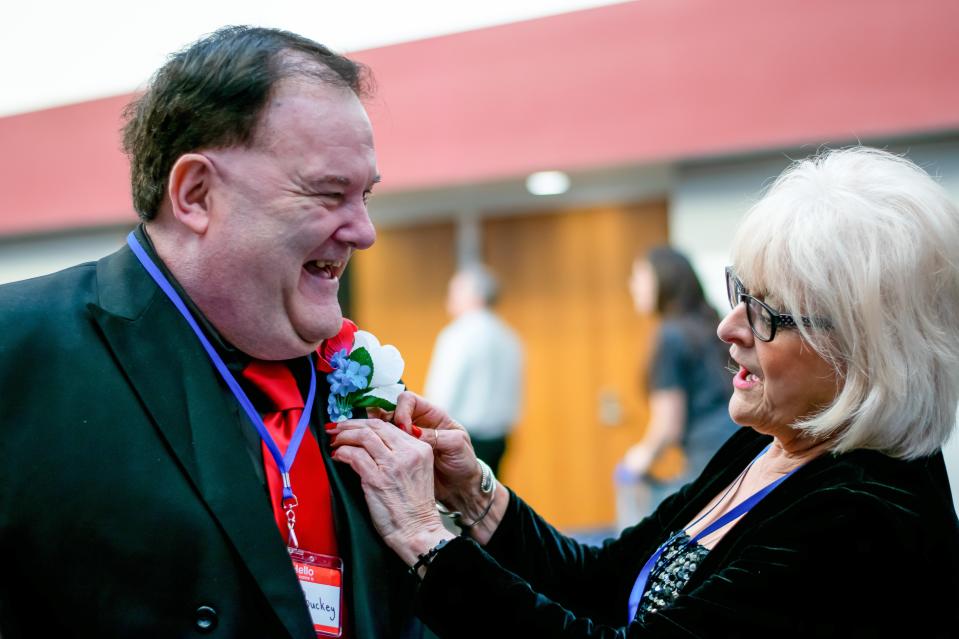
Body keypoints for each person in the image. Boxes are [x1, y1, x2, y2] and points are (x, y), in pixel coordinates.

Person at [329, 147, 959, 637]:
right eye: (740, 292)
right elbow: (602, 581)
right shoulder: (768, 446)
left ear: (866, 350)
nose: (728, 327)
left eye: (767, 314)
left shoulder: (866, 513)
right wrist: (473, 491)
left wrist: (424, 540)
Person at [0, 26, 429, 638]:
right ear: (196, 194)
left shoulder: (351, 375)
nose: (364, 231)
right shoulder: (18, 350)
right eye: (330, 192)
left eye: (365, 195)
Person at [618, 247, 736, 520]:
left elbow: (667, 426)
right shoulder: (712, 324)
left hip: (709, 458)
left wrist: (637, 460)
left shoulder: (670, 336)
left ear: (663, 280)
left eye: (639, 277)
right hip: (741, 450)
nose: (632, 286)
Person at [423, 264, 523, 475]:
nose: (448, 300)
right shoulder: (509, 336)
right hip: (500, 438)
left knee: (460, 505)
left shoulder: (458, 335)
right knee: (491, 500)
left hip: (465, 439)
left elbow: (443, 393)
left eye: (455, 292)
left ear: (475, 296)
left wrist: (429, 433)